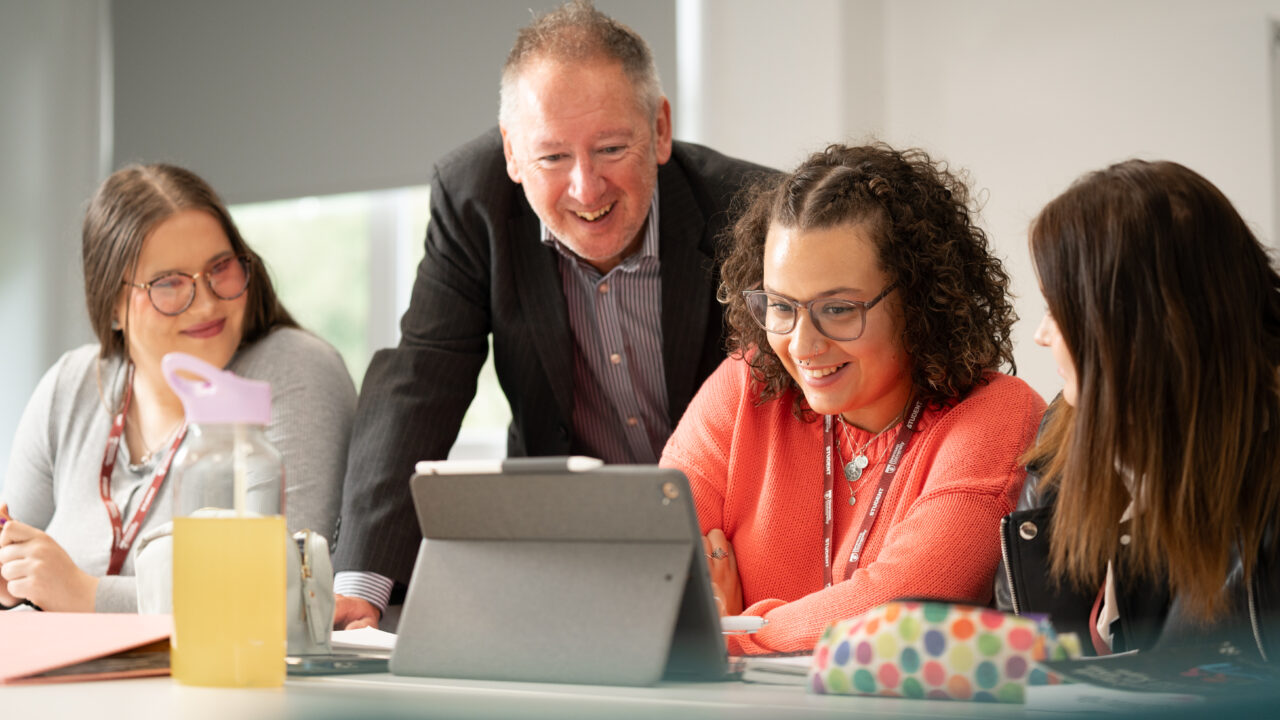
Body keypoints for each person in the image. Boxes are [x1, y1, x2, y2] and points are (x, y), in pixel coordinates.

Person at [331, 0, 770, 629]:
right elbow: (421, 376)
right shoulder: (473, 198)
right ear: (512, 152)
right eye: (552, 157)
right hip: (567, 555)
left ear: (660, 130)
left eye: (613, 147)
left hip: (732, 552)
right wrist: (361, 586)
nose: (586, 189)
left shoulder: (754, 212)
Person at [659, 143, 1047, 654]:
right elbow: (651, 564)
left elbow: (892, 613)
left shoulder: (999, 417)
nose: (801, 345)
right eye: (780, 305)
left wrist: (729, 632)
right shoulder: (748, 383)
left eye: (838, 309)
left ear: (917, 298)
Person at [0, 163, 356, 613]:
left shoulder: (296, 369)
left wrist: (87, 595)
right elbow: (17, 555)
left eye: (220, 268)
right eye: (169, 284)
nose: (207, 302)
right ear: (111, 305)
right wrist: (12, 579)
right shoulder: (69, 385)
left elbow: (281, 590)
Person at [996, 159, 1280, 660]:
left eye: (1057, 309)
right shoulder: (1064, 438)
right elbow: (1032, 664)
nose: (1041, 336)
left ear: (1135, 325)